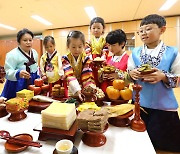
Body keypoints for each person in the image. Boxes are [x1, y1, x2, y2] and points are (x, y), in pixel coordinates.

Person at [128, 14, 180, 152]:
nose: (143, 33)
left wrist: (163, 76)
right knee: (139, 144)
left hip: (163, 107)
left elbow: (179, 78)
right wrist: (131, 74)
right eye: (141, 31)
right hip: (139, 104)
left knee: (164, 146)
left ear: (162, 30)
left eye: (148, 29)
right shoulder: (135, 52)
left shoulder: (173, 52)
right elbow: (130, 72)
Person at [1, 28, 39, 100]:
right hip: (17, 83)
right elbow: (7, 72)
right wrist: (18, 73)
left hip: (32, 81)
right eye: (25, 40)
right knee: (16, 105)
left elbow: (36, 67)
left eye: (30, 40)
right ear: (19, 42)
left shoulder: (34, 52)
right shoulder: (12, 54)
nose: (28, 42)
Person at [62, 30, 95, 100]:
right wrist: (77, 89)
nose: (77, 50)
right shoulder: (65, 58)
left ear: (83, 45)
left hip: (83, 87)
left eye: (80, 47)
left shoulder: (86, 58)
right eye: (73, 47)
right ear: (68, 46)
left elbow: (87, 74)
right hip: (70, 87)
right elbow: (69, 74)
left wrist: (88, 88)